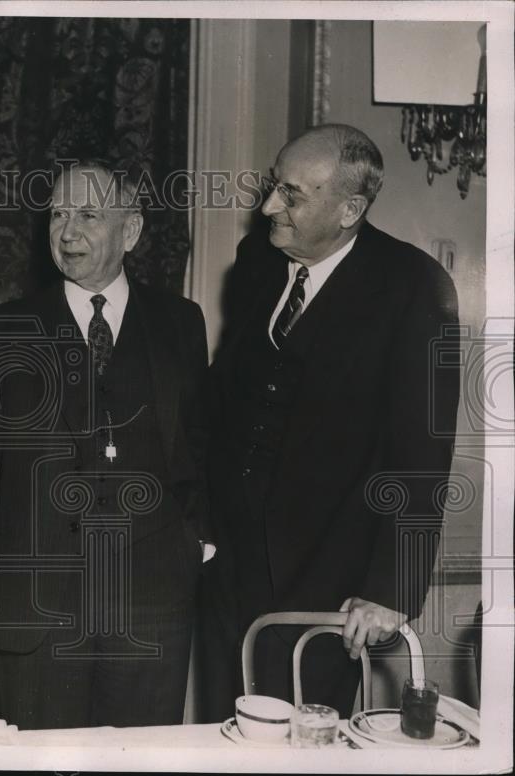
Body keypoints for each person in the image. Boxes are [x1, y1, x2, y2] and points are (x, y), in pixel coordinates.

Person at [199, 124, 460, 720]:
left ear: (350, 209)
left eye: (291, 195)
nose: (268, 206)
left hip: (329, 580)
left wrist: (391, 591)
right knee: (222, 734)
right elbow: (225, 403)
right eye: (273, 187)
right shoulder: (257, 263)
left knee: (303, 741)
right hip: (229, 568)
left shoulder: (414, 286)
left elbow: (421, 453)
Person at [0, 160, 213, 729]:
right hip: (39, 610)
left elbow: (200, 445)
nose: (67, 231)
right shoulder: (5, 327)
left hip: (152, 605)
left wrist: (195, 542)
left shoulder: (181, 322)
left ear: (130, 231)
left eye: (87, 214)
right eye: (58, 214)